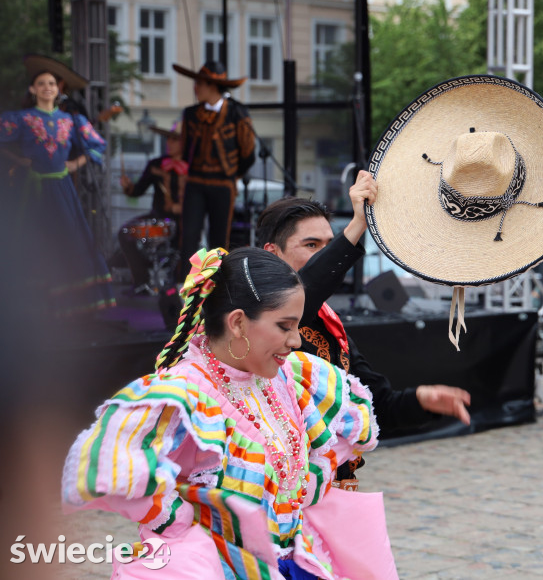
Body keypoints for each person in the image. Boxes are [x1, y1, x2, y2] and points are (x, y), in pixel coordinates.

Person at [62, 247, 398, 578]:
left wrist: (304, 488)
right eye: (284, 326)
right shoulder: (185, 393)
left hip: (294, 561)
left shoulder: (291, 377)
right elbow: (115, 468)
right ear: (237, 322)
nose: (296, 340)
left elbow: (346, 436)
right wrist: (181, 526)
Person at [256, 181, 471, 486]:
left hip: (336, 493)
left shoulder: (330, 323)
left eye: (330, 245)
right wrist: (358, 225)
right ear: (273, 254)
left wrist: (421, 400)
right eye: (311, 245)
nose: (324, 255)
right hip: (281, 494)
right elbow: (306, 287)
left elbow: (376, 407)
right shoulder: (260, 317)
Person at [0, 67, 115, 315]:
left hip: (62, 187)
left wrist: (75, 163)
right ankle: (30, 305)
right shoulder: (22, 118)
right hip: (31, 189)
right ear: (32, 89)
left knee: (69, 239)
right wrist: (18, 160)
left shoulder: (70, 120)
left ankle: (71, 303)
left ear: (58, 89)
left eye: (51, 83)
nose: (47, 87)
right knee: (32, 239)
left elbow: (97, 144)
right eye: (41, 83)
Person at [175, 60, 256, 278]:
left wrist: (233, 175)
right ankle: (186, 285)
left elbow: (249, 151)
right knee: (189, 235)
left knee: (219, 238)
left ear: (212, 86)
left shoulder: (237, 112)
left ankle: (217, 285)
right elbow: (184, 149)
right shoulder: (190, 114)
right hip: (196, 183)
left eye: (198, 84)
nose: (195, 88)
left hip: (223, 184)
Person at [118, 121, 186, 290]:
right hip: (158, 218)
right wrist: (128, 186)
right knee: (125, 233)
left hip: (186, 222)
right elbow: (138, 190)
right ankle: (142, 280)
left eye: (174, 140)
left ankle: (179, 285)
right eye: (168, 139)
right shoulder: (156, 164)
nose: (169, 143)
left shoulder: (194, 167)